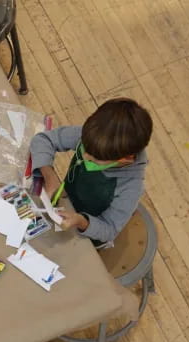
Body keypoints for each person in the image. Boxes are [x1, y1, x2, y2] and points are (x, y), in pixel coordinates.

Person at [30, 98, 153, 249]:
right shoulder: (95, 139)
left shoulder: (131, 188)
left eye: (95, 160)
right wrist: (49, 175)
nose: (86, 156)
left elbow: (109, 230)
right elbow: (43, 139)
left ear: (125, 159)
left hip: (86, 233)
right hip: (64, 205)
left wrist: (81, 221)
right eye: (84, 150)